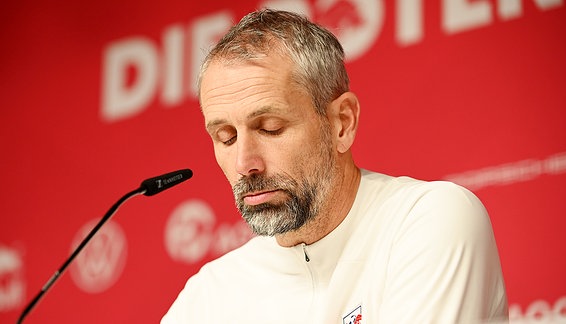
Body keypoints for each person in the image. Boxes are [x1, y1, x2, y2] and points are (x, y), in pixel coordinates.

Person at [162, 9, 508, 323]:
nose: (244, 163)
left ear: (342, 123)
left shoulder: (429, 218)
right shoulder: (208, 295)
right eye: (226, 137)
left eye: (270, 128)